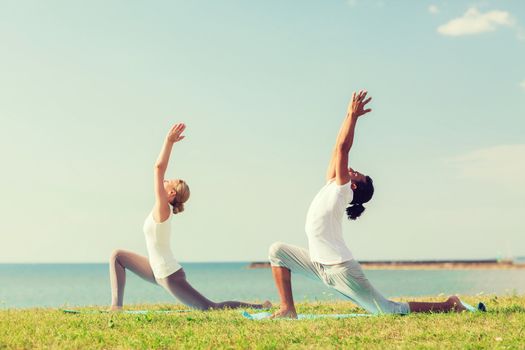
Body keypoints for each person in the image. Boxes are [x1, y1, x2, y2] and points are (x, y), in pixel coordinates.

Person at [268, 90, 469, 318]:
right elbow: (336, 149)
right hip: (318, 265)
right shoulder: (331, 184)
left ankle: (449, 305)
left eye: (357, 175)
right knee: (278, 251)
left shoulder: (341, 190)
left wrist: (353, 118)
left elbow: (344, 149)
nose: (352, 170)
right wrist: (347, 114)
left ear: (353, 186)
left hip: (341, 269)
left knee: (388, 310)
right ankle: (287, 309)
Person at [109, 123, 270, 311]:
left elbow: (158, 168)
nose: (166, 179)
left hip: (169, 275)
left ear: (170, 195)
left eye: (171, 181)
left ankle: (260, 306)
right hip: (155, 270)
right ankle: (116, 307)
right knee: (118, 256)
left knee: (211, 308)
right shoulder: (159, 208)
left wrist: (168, 142)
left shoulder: (163, 208)